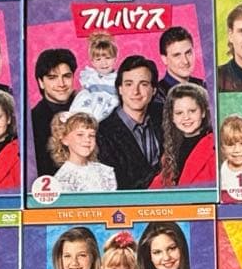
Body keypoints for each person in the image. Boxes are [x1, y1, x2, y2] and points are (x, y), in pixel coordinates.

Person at [97, 56, 164, 189]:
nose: (136, 91)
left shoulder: (163, 117)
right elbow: (117, 186)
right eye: (129, 84)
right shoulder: (102, 133)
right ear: (120, 89)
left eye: (143, 84)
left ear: (154, 90)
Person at [151, 84, 215, 188]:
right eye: (179, 113)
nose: (186, 117)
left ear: (203, 112)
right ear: (172, 117)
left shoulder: (215, 146)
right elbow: (155, 188)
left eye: (192, 111)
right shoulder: (171, 150)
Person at [30, 48, 77, 177]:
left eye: (66, 76)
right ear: (41, 82)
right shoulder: (32, 122)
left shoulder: (88, 108)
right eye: (52, 78)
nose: (61, 84)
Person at [48, 111, 117, 193]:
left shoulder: (105, 172)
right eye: (80, 135)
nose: (87, 140)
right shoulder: (63, 178)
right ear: (64, 139)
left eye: (91, 135)